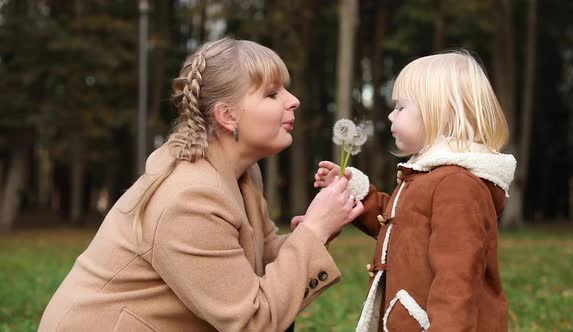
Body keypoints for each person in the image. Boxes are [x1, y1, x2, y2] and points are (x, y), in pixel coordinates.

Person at [38, 37, 364, 332]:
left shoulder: (243, 173)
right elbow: (254, 322)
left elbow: (257, 256)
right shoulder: (189, 199)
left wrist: (317, 229)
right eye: (272, 93)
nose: (293, 101)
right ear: (227, 116)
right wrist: (313, 233)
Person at [314, 50, 516, 331]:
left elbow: (457, 278)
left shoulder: (456, 185)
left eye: (400, 107)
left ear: (440, 113)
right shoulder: (427, 176)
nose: (389, 113)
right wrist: (358, 193)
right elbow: (403, 228)